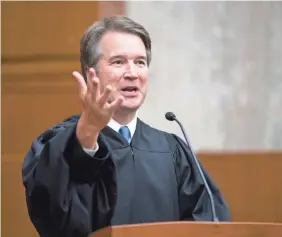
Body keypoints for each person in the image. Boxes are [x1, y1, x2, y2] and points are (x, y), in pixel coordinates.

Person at [22, 15, 232, 237]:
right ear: (90, 73)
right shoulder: (60, 145)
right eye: (118, 62)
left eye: (140, 62)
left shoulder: (171, 150)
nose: (132, 73)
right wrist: (87, 133)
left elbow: (209, 222)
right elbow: (51, 213)